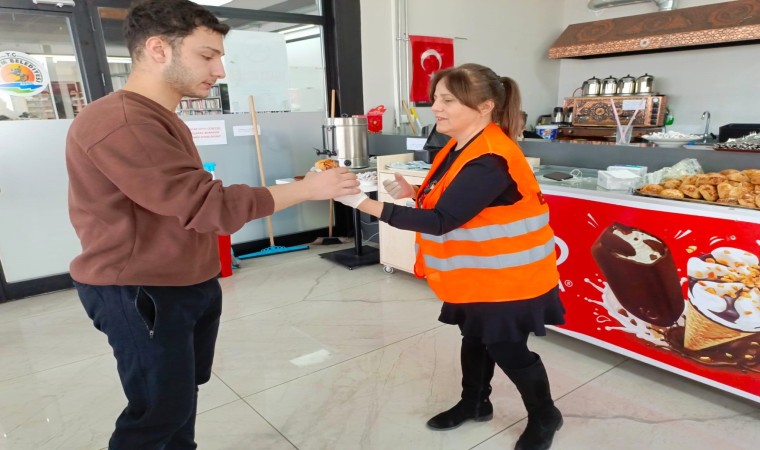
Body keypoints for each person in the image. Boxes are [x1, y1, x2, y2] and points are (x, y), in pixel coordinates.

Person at [65, 1, 358, 448]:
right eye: (207, 56)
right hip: (142, 288)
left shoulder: (160, 116)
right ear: (158, 49)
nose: (219, 71)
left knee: (180, 399)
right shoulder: (122, 121)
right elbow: (206, 205)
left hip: (185, 281)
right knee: (157, 413)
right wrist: (307, 189)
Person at [334, 63, 565, 450]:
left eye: (448, 100)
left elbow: (441, 221)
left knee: (506, 348)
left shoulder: (490, 158)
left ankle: (545, 415)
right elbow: (456, 205)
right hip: (478, 274)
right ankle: (475, 403)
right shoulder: (459, 146)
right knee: (474, 338)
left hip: (511, 280)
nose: (436, 108)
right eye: (435, 99)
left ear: (485, 106)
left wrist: (362, 203)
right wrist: (413, 193)